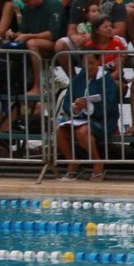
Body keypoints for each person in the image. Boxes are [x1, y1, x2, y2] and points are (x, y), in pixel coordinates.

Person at [54, 49, 117, 181]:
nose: (88, 67)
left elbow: (110, 106)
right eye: (85, 64)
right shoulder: (77, 79)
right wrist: (75, 108)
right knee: (60, 131)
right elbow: (67, 104)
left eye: (91, 63)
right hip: (80, 120)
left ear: (98, 62)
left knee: (82, 132)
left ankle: (97, 163)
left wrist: (89, 107)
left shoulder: (107, 80)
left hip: (103, 121)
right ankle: (73, 162)